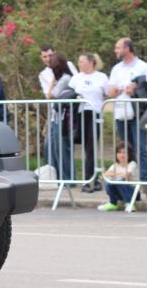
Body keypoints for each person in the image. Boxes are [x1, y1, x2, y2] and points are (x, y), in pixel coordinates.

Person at [106, 37, 147, 183]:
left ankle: (144, 181)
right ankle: (128, 178)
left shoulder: (142, 66)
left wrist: (136, 89)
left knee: (141, 148)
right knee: (125, 148)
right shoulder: (116, 68)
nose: (116, 50)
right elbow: (110, 91)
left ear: (127, 48)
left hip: (138, 113)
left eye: (118, 47)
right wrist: (115, 91)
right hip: (121, 113)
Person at [69, 53, 108, 192]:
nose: (79, 64)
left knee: (91, 147)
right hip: (80, 114)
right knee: (86, 147)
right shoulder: (76, 78)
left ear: (91, 62)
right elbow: (69, 92)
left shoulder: (101, 77)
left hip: (95, 114)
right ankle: (91, 179)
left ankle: (91, 180)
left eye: (82, 61)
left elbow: (109, 93)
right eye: (78, 61)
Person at [46, 53, 76, 181]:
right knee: (53, 148)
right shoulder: (61, 78)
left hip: (62, 120)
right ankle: (58, 177)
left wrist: (52, 81)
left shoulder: (65, 78)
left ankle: (68, 178)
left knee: (62, 149)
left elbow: (51, 94)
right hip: (55, 118)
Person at [97, 141, 139, 212]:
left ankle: (130, 204)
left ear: (129, 154)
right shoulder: (115, 165)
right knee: (109, 183)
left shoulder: (132, 164)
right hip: (119, 193)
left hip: (133, 193)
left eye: (124, 152)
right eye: (119, 152)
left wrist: (114, 174)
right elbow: (105, 175)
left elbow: (126, 175)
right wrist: (119, 174)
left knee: (119, 181)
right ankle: (113, 203)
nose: (121, 155)